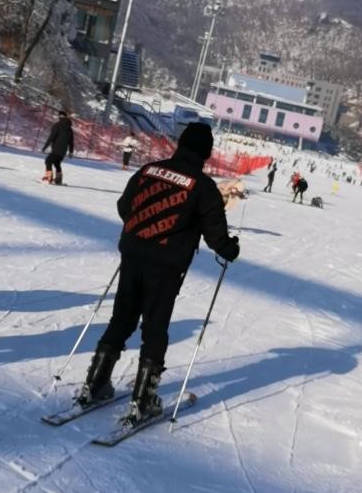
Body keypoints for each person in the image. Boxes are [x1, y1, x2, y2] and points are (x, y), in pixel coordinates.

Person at [76, 123, 240, 425]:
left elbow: (124, 206)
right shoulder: (203, 187)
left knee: (122, 318)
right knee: (155, 326)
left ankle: (95, 383)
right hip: (166, 264)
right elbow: (216, 236)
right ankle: (143, 400)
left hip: (133, 251)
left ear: (181, 144)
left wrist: (143, 230)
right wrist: (230, 248)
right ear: (206, 152)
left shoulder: (149, 170)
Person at [42, 110, 74, 185]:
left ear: (60, 116)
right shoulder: (70, 128)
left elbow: (52, 137)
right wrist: (71, 151)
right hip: (63, 151)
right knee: (57, 163)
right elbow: (71, 141)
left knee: (48, 161)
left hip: (56, 149)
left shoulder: (57, 125)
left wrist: (45, 146)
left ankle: (49, 177)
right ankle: (58, 180)